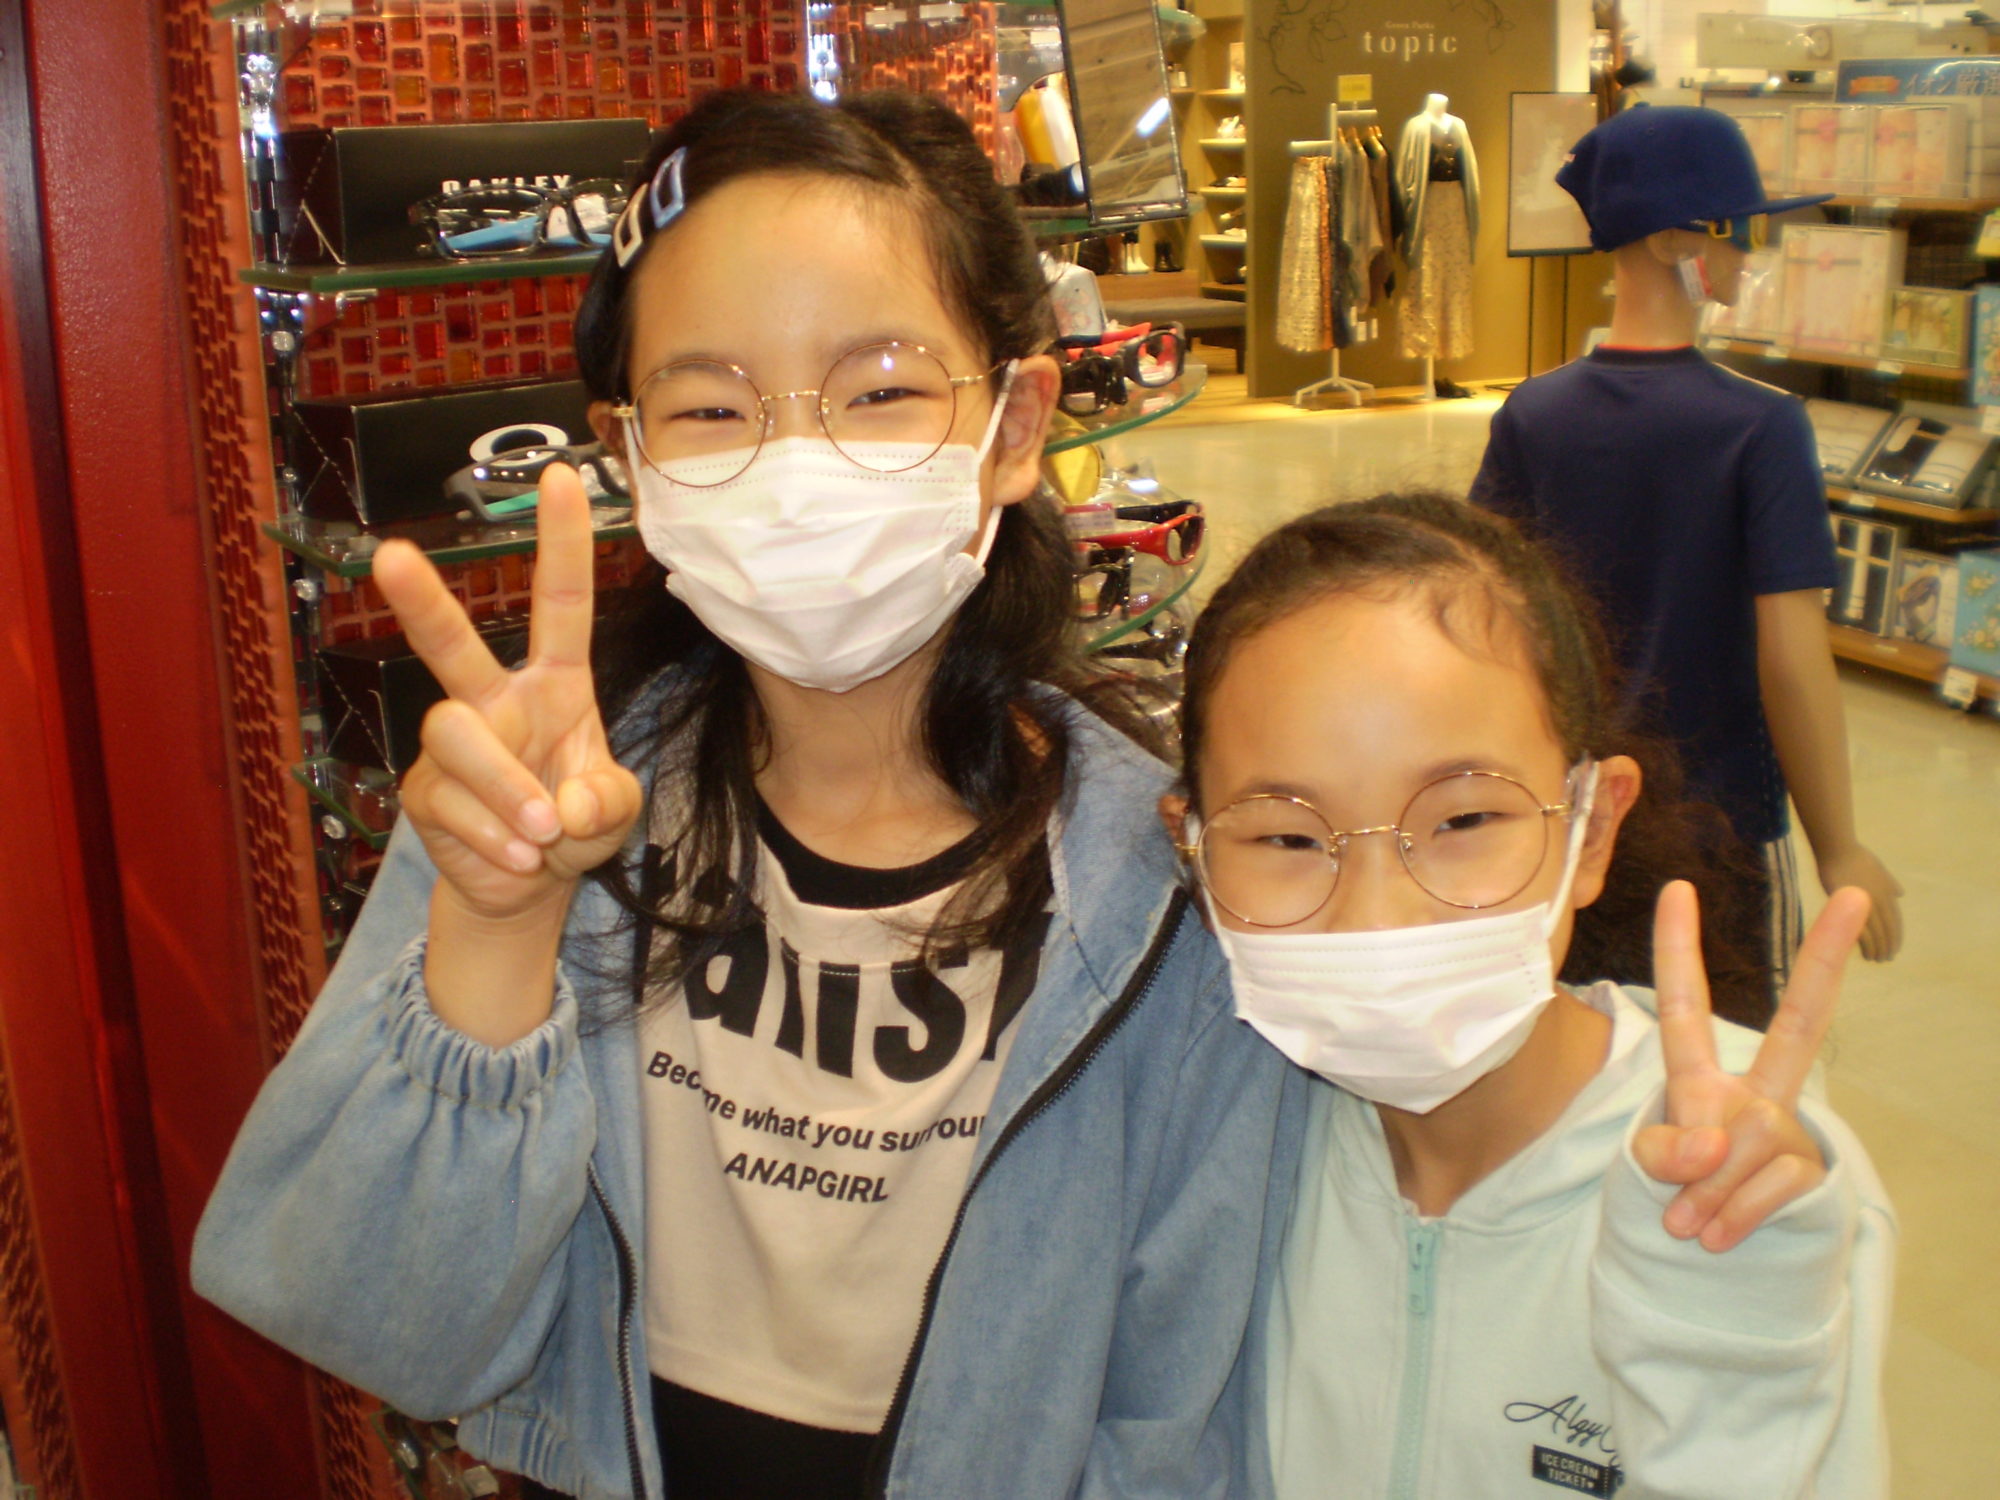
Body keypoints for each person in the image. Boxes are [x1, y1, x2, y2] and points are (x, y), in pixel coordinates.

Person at [192, 89, 1301, 1500]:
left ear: (1016, 421)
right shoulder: (535, 809)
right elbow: (386, 1321)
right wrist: (499, 930)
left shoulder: (1166, 897)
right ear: (628, 458)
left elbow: (1181, 1429)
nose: (794, 464)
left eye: (881, 389)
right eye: (710, 407)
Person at [1162, 494, 1894, 1499]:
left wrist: (1727, 1368)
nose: (1377, 915)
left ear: (1591, 828)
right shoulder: (1228, 1151)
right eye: (1287, 837)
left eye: (1464, 820)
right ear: (1192, 849)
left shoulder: (1757, 1175)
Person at [1470, 105, 1904, 992]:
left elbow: (1488, 618)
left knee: (1586, 1036)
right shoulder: (1761, 426)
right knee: (1720, 1044)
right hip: (1720, 826)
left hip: (1576, 818)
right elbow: (1792, 658)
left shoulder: (1532, 415)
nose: (1751, 253)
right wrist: (1839, 845)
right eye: (1739, 230)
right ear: (1676, 240)